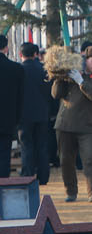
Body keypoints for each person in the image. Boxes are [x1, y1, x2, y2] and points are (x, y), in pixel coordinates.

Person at [53, 46, 92, 202]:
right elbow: (56, 94)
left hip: (87, 126)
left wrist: (81, 82)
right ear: (86, 60)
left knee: (91, 158)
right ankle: (70, 191)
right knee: (66, 161)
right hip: (65, 124)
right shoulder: (72, 75)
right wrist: (60, 77)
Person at [18, 42, 49, 184]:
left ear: (20, 54)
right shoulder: (44, 70)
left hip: (24, 114)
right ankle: (43, 176)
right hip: (42, 112)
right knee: (42, 145)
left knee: (26, 145)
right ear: (36, 54)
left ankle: (28, 174)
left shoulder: (19, 70)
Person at [0, 36, 23, 176]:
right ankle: (3, 182)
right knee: (4, 153)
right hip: (8, 118)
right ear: (6, 48)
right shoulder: (16, 69)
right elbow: (21, 96)